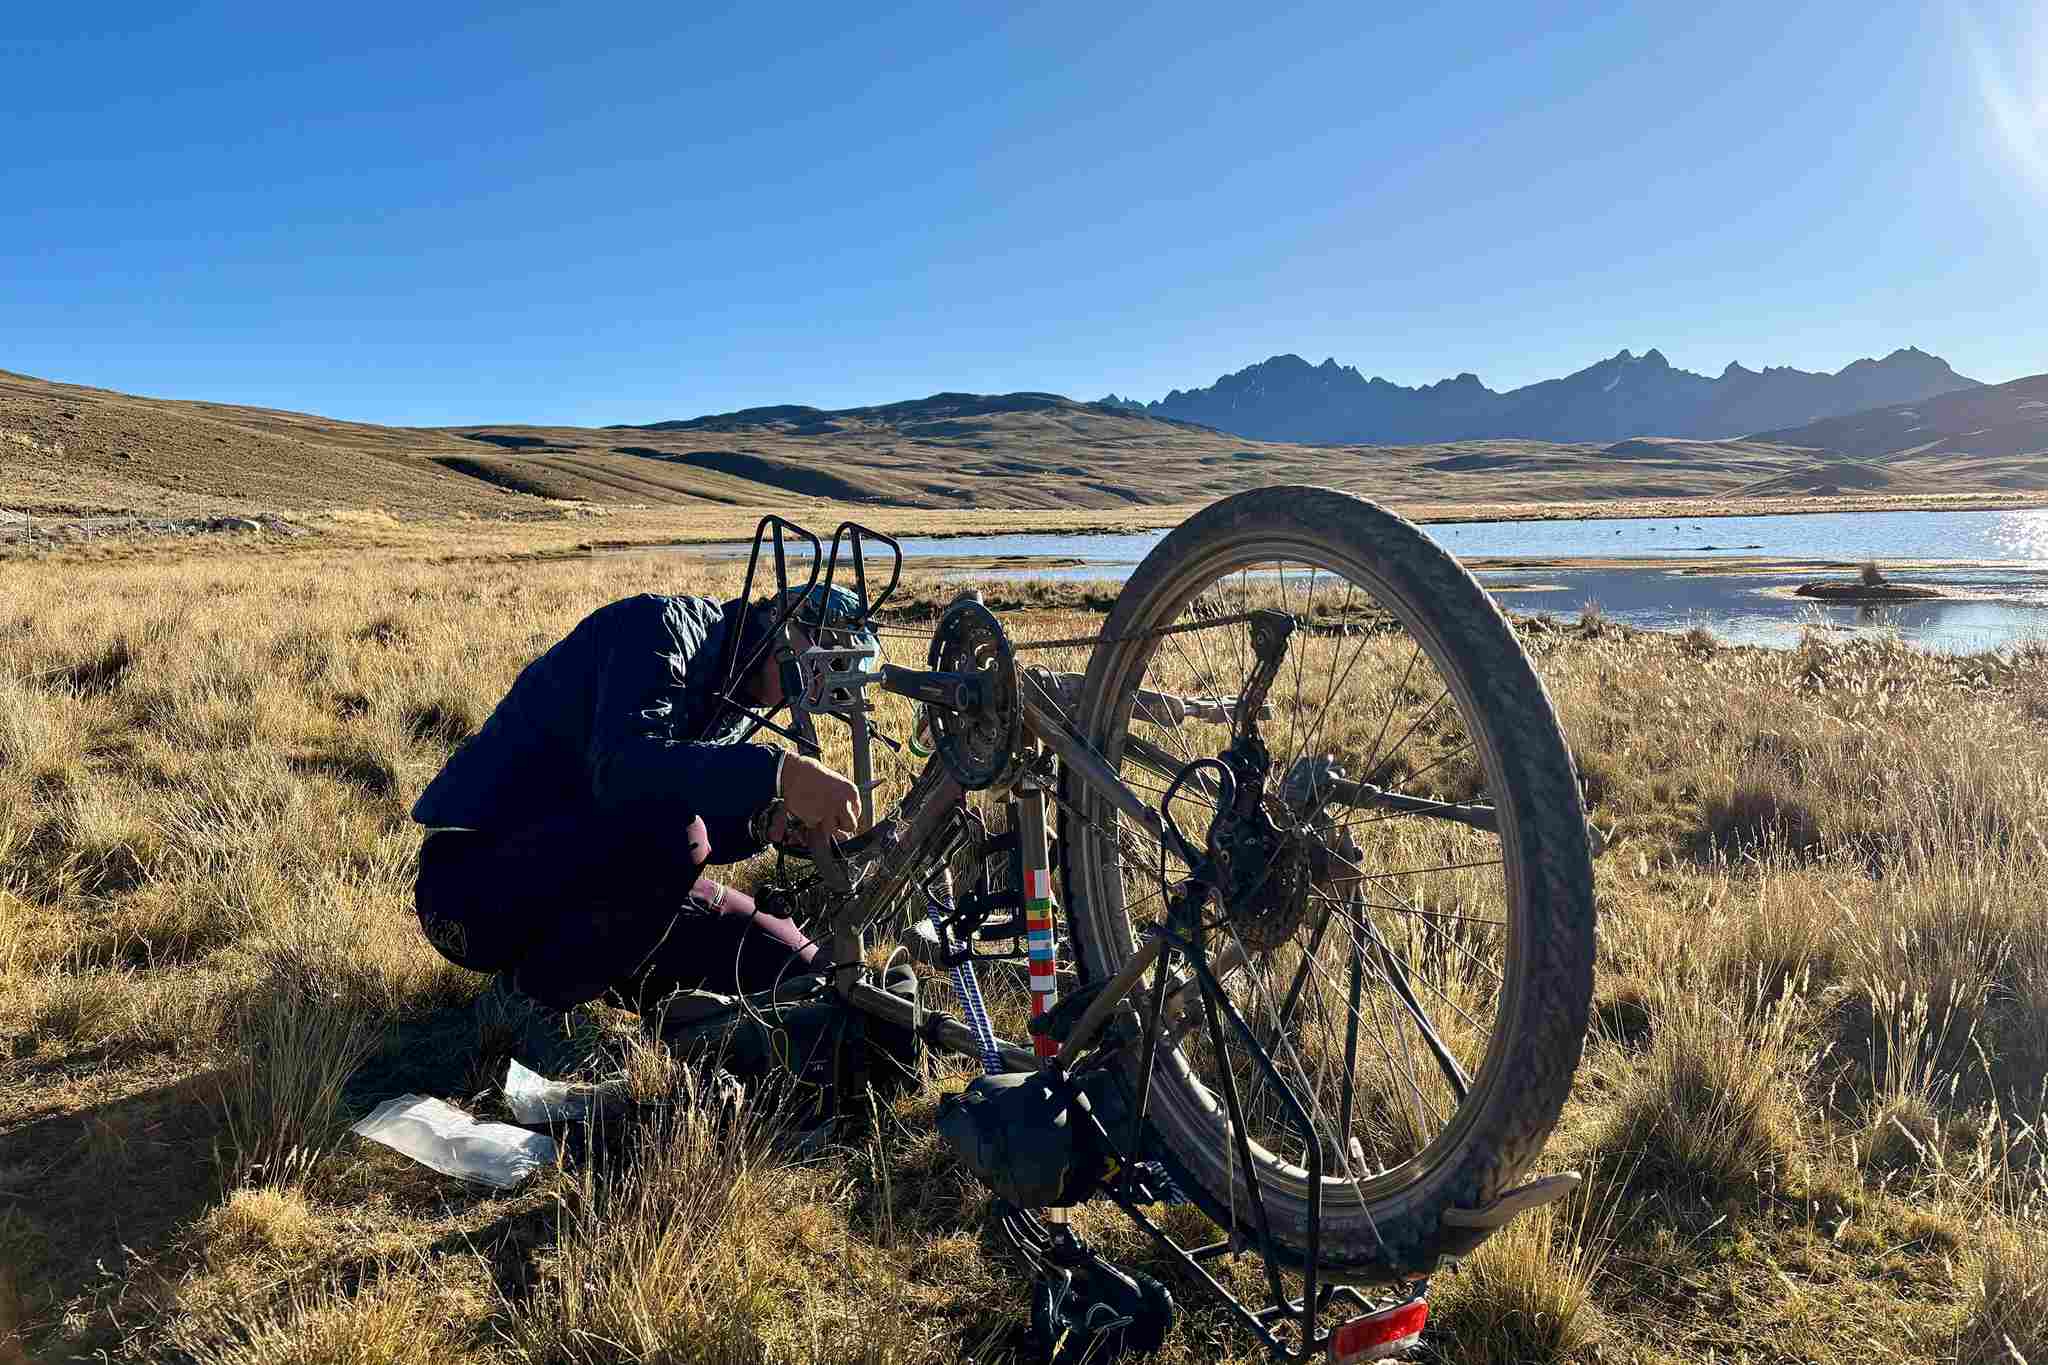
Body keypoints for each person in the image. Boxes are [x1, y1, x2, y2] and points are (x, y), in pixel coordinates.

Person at [409, 586, 868, 1015]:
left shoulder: (735, 698)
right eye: (818, 658)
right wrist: (777, 772)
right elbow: (623, 772)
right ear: (781, 623)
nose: (811, 685)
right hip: (468, 885)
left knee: (794, 964)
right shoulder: (662, 627)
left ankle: (587, 975)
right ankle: (530, 1005)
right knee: (675, 833)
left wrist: (762, 823)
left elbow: (696, 818)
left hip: (583, 872)